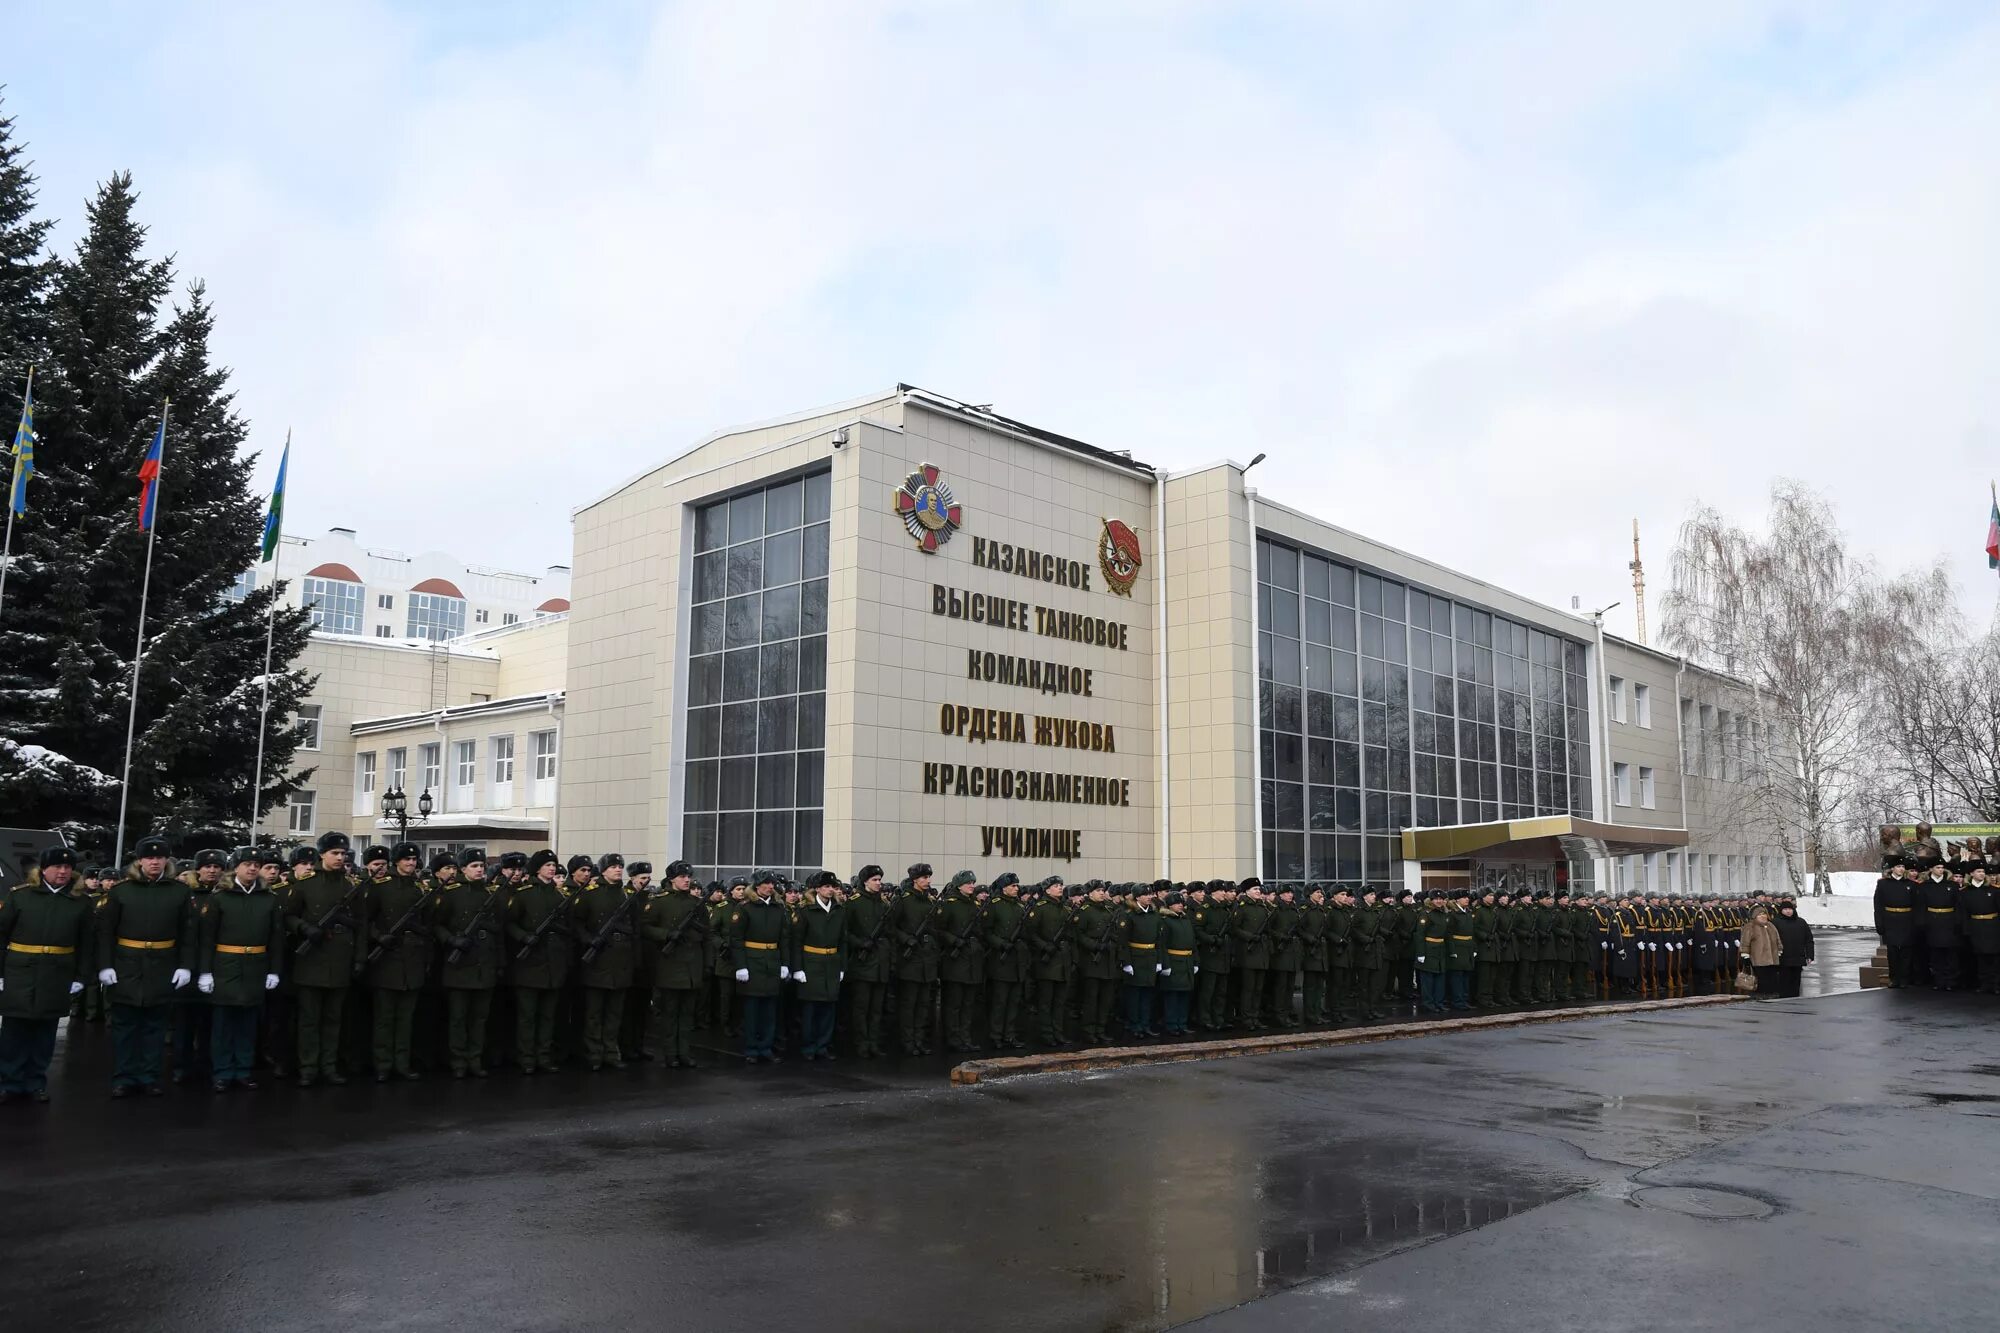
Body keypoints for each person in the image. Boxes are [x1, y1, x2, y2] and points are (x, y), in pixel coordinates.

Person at [98, 835, 197, 1096]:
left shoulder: (180, 892)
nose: (155, 862)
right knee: (126, 1026)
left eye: (160, 857)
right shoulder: (121, 891)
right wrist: (105, 966)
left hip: (162, 965)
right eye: (149, 857)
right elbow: (106, 932)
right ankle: (124, 1076)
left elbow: (188, 933)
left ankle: (149, 1076)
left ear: (167, 860)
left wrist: (185, 966)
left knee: (155, 1027)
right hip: (126, 964)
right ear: (139, 860)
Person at [0, 846, 92, 1103]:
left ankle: (35, 1082)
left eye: (67, 867)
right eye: (57, 867)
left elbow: (87, 944)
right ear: (43, 869)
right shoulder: (21, 896)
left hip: (57, 972)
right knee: (14, 1030)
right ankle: (9, 1082)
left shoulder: (80, 902)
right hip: (20, 971)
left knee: (45, 1031)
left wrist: (80, 977)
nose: (63, 871)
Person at [195, 848, 285, 1092]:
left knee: (248, 1023)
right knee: (224, 1023)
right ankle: (222, 1071)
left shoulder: (269, 898)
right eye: (247, 864)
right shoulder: (220, 897)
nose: (253, 868)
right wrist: (205, 971)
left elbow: (276, 939)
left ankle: (243, 1070)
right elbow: (206, 939)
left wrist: (274, 971)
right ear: (235, 867)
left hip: (256, 966)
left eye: (256, 864)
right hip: (225, 965)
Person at [365, 842, 433, 1082]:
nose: (411, 863)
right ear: (396, 862)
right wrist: (378, 937)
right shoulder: (381, 887)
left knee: (405, 1018)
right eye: (406, 860)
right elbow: (366, 920)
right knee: (385, 1018)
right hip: (387, 958)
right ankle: (383, 1064)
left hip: (412, 958)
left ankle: (401, 1062)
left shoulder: (419, 888)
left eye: (414, 860)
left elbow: (428, 925)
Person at [434, 849, 504, 1078]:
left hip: (484, 965)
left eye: (481, 865)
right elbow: (437, 924)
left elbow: (499, 930)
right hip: (460, 965)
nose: (480, 869)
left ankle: (475, 1059)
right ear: (462, 869)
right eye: (474, 866)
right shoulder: (452, 894)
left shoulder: (489, 894)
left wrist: (499, 962)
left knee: (479, 1019)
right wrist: (452, 940)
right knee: (458, 1018)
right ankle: (458, 1061)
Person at [507, 850, 573, 1074]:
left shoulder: (559, 896)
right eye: (547, 865)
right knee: (528, 1016)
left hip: (553, 962)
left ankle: (543, 1056)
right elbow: (511, 923)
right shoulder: (524, 894)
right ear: (537, 868)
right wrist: (524, 937)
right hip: (530, 962)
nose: (552, 869)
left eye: (554, 865)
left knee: (547, 1016)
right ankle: (526, 1057)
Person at [573, 852, 640, 1071]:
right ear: (603, 870)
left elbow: (637, 927)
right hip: (598, 958)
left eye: (620, 866)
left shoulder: (627, 894)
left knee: (614, 1013)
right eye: (613, 867)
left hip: (621, 959)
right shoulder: (590, 894)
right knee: (594, 1012)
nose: (618, 870)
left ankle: (611, 1052)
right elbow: (577, 923)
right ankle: (594, 1053)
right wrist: (589, 941)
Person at [641, 859, 709, 1068]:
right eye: (682, 877)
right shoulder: (659, 902)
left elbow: (706, 933)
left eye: (688, 876)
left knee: (687, 1014)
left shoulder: (696, 903)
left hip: (691, 965)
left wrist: (706, 965)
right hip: (670, 964)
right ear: (672, 879)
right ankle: (671, 1052)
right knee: (670, 1013)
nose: (687, 880)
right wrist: (668, 934)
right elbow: (645, 927)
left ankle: (684, 1051)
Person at [730, 869, 790, 1064]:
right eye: (767, 883)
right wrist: (741, 966)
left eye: (772, 883)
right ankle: (751, 1048)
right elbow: (736, 939)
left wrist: (785, 964)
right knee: (752, 1009)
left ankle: (766, 1047)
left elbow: (784, 938)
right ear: (756, 886)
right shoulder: (745, 908)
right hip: (752, 961)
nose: (771, 886)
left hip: (772, 961)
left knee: (770, 1009)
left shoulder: (778, 908)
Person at [790, 870, 845, 1060]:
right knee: (810, 1009)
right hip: (811, 963)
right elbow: (796, 942)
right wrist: (797, 968)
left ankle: (823, 1045)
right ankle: (808, 1046)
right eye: (826, 887)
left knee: (828, 1008)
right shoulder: (805, 911)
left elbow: (843, 941)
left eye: (832, 886)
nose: (830, 890)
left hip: (831, 963)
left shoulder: (839, 910)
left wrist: (842, 967)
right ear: (817, 889)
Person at [890, 863, 942, 1056]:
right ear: (915, 880)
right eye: (924, 878)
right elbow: (891, 927)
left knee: (923, 1005)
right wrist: (906, 939)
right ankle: (907, 1041)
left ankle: (919, 1041)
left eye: (928, 877)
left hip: (926, 960)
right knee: (908, 1005)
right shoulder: (902, 900)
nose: (927, 881)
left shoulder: (929, 902)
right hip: (910, 961)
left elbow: (934, 929)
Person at [842, 865, 892, 1057]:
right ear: (865, 882)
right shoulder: (854, 903)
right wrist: (860, 943)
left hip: (880, 963)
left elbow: (890, 932)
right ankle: (861, 1043)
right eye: (874, 880)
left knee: (876, 1008)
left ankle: (873, 1042)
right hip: (862, 964)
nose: (878, 883)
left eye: (879, 880)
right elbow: (845, 931)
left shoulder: (884, 904)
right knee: (862, 1007)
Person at [981, 872, 1031, 1050]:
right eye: (1013, 886)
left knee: (1013, 1001)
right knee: (1000, 1001)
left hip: (1017, 960)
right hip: (1001, 961)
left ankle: (1009, 1034)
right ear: (1004, 888)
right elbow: (986, 932)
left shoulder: (1020, 906)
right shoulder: (994, 905)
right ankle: (996, 1035)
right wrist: (1001, 944)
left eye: (1017, 886)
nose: (1016, 888)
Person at [937, 870, 984, 1052]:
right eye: (968, 883)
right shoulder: (949, 904)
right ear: (959, 885)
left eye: (973, 882)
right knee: (954, 1004)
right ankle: (953, 1038)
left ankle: (965, 1037)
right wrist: (953, 940)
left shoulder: (975, 904)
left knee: (968, 1004)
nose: (972, 885)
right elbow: (939, 930)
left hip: (972, 960)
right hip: (955, 962)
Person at [1029, 876, 1073, 1046]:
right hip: (1046, 963)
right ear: (1047, 890)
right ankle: (1046, 1034)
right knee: (1046, 1002)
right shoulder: (1040, 909)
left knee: (1060, 1002)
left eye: (1061, 885)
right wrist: (1044, 946)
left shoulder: (1066, 909)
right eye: (1056, 886)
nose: (1060, 888)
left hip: (1063, 962)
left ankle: (1058, 1032)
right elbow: (1031, 933)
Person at [1872, 861, 1919, 988]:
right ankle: (1893, 978)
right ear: (1892, 868)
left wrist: (1916, 923)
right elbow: (1878, 905)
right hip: (1890, 920)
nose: (1901, 869)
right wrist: (1879, 923)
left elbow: (1916, 906)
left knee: (1906, 951)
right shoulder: (1883, 884)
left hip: (1907, 920)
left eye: (1903, 866)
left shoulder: (1911, 884)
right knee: (1892, 952)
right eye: (1898, 866)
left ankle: (1904, 978)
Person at [1917, 861, 1961, 990]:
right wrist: (1922, 923)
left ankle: (1951, 981)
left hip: (1949, 921)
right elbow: (1921, 906)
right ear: (1931, 869)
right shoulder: (1925, 886)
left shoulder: (1951, 885)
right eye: (1938, 867)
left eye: (1942, 868)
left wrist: (1957, 922)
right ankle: (1939, 981)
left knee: (1950, 954)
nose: (1941, 870)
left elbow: (1958, 905)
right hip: (1933, 922)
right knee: (1936, 954)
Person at [1958, 865, 2000, 995]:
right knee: (1980, 957)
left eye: (1983, 872)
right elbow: (1963, 913)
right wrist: (1966, 930)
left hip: (1992, 925)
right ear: (1971, 873)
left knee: (1994, 957)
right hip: (1975, 925)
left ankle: (1995, 984)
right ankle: (1984, 984)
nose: (1982, 874)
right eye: (1979, 871)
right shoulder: (1965, 892)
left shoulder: (1994, 890)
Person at [1771, 898, 1813, 998]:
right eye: (1785, 909)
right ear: (1781, 910)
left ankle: (1795, 999)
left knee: (1796, 981)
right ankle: (1784, 999)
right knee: (1784, 981)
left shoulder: (1801, 922)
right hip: (1783, 957)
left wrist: (1810, 955)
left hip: (1798, 957)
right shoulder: (1775, 922)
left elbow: (1809, 940)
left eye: (1790, 909)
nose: (1788, 911)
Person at [1740, 905, 1781, 997]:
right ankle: (1761, 994)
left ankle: (1771, 993)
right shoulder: (1750, 927)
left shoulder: (1771, 926)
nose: (1763, 916)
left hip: (1772, 958)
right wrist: (1745, 955)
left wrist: (1779, 950)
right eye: (1760, 914)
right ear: (1754, 916)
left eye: (1764, 914)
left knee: (1772, 977)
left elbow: (1777, 939)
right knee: (1761, 978)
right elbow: (1745, 942)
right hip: (1758, 958)